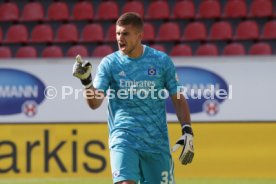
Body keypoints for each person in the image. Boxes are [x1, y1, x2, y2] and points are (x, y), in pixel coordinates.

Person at [72, 12, 194, 184]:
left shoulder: (161, 61)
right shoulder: (110, 63)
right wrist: (86, 82)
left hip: (156, 142)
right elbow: (94, 102)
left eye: (125, 34)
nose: (120, 38)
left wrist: (187, 130)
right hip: (123, 137)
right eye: (117, 33)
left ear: (139, 36)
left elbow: (178, 98)